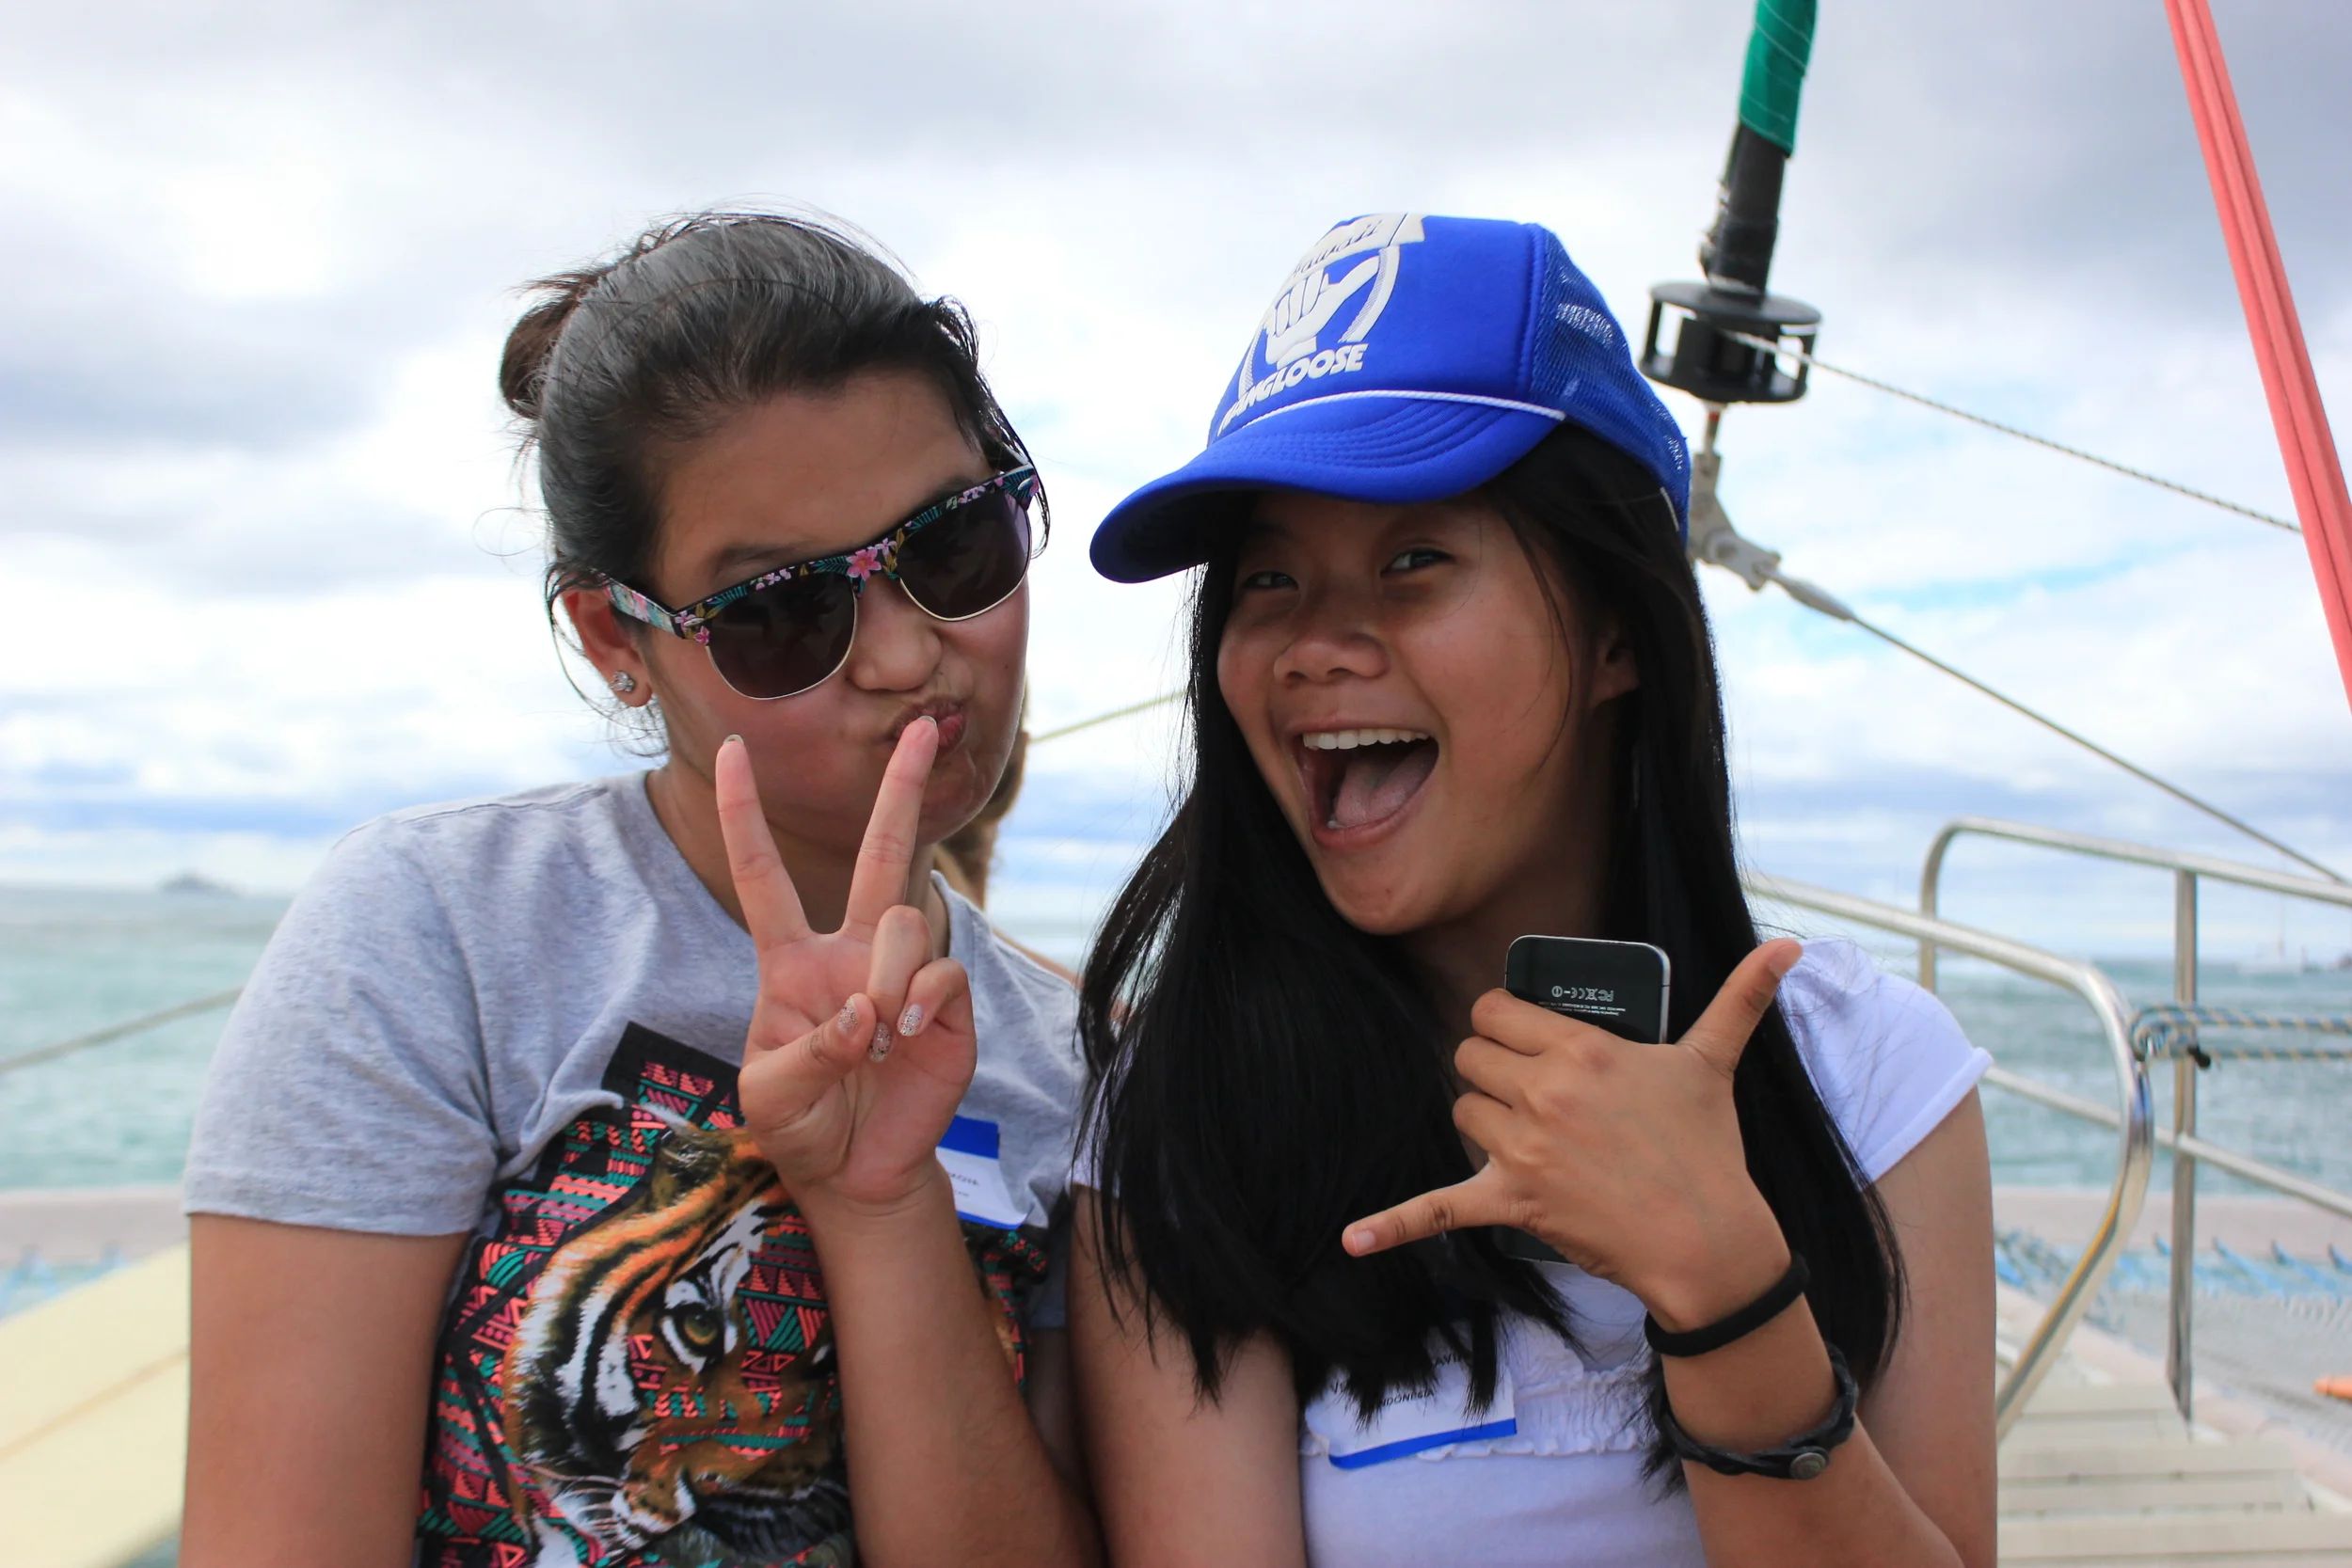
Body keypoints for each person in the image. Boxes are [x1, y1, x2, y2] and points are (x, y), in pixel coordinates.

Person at [1069, 214, 1996, 1567]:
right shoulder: (1180, 1116)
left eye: (1412, 560)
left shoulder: (1873, 1077)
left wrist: (1723, 1284)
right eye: (1268, 576)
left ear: (1620, 628)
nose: (1317, 642)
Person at [180, 213, 1097, 1568]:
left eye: (952, 545)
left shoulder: (1081, 1066)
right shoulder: (440, 930)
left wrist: (883, 1206)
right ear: (618, 639)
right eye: (781, 607)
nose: (908, 654)